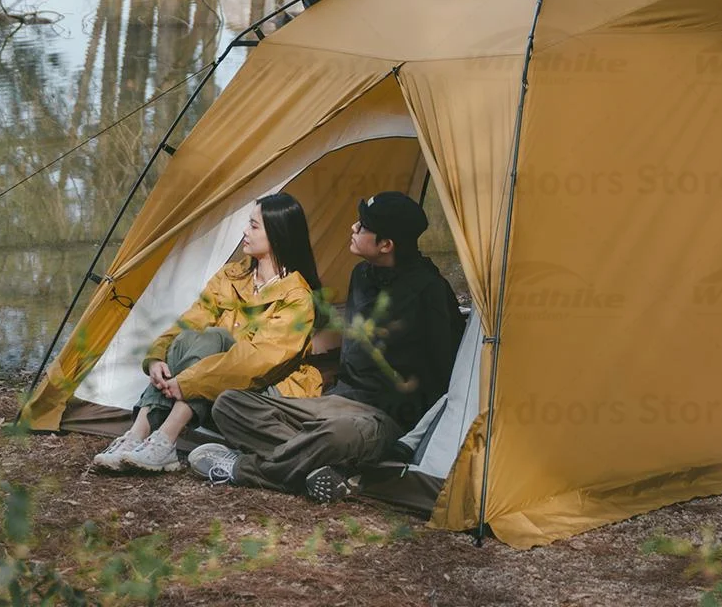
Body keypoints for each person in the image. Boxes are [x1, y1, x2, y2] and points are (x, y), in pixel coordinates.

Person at [189, 191, 465, 502]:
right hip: (335, 401)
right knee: (230, 405)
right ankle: (322, 467)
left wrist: (408, 438)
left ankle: (246, 469)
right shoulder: (361, 275)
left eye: (362, 227)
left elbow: (448, 377)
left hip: (382, 417)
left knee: (335, 436)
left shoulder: (431, 292)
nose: (352, 228)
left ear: (386, 245)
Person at [91, 192, 323, 473]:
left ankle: (165, 439)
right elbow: (190, 322)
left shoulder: (297, 296)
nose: (244, 231)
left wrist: (190, 381)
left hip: (267, 392)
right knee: (192, 337)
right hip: (216, 383)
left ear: (276, 233)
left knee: (216, 339)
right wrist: (155, 358)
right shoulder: (231, 276)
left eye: (253, 225)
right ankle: (137, 435)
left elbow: (257, 361)